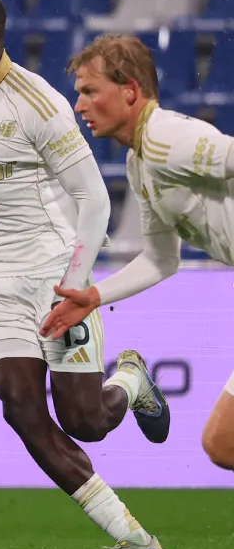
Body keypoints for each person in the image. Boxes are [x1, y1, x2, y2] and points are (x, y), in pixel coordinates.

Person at [0, 0, 167, 549]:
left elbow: (94, 199)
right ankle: (135, 541)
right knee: (21, 409)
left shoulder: (40, 102)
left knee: (85, 419)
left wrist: (78, 286)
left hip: (55, 275)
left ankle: (130, 381)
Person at [43, 33, 234, 475]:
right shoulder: (140, 161)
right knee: (222, 444)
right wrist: (93, 297)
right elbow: (161, 259)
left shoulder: (169, 137)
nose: (80, 105)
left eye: (90, 91)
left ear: (129, 90)